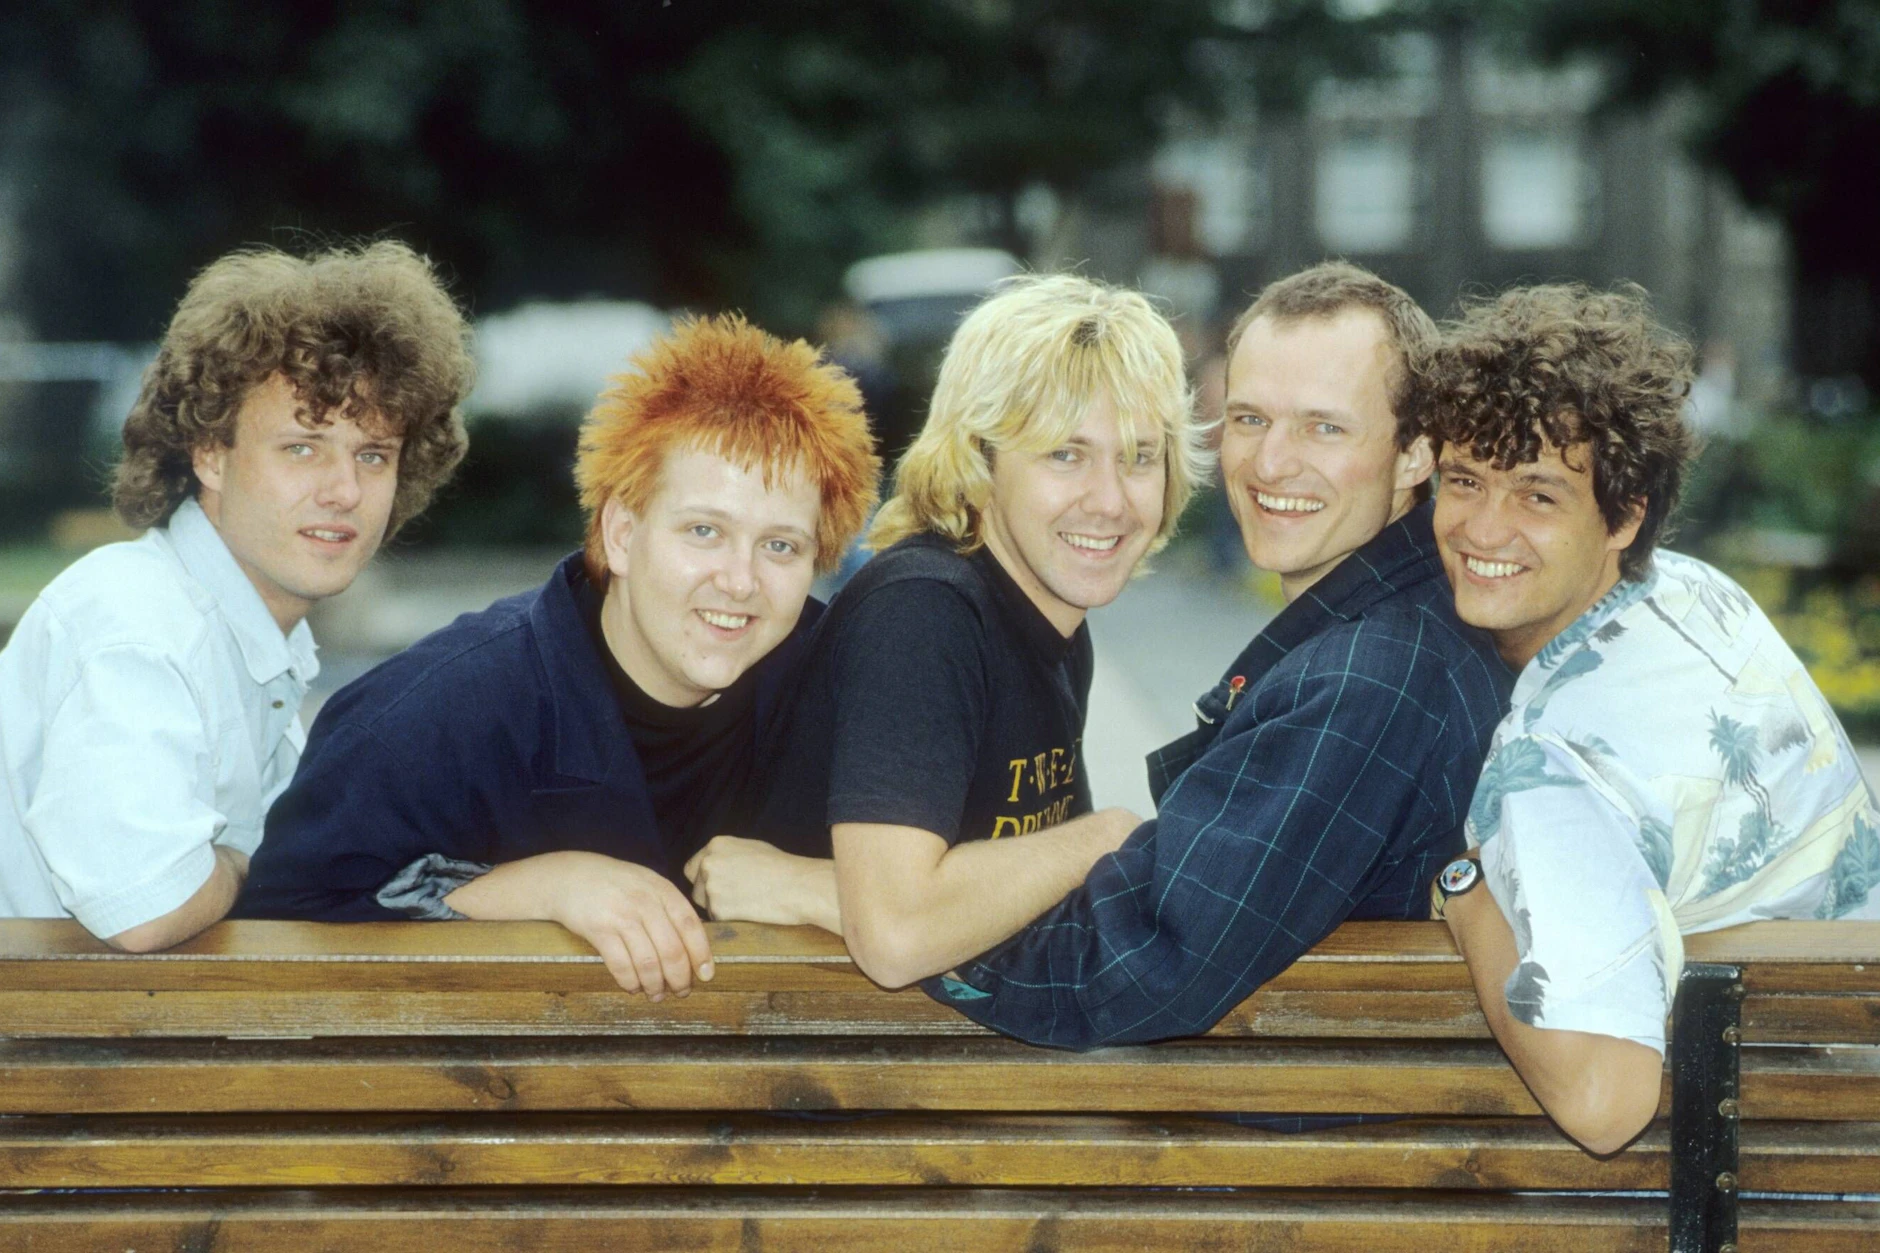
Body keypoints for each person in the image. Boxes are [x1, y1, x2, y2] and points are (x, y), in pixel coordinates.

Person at [924, 261, 1511, 1047]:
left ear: (1415, 455)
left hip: (1319, 1155)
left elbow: (1127, 969)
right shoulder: (1404, 622)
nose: (1270, 465)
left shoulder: (1372, 679)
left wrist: (879, 908)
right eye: (1248, 418)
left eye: (1323, 427)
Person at [236, 314, 880, 1002]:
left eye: (781, 546)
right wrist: (537, 886)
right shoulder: (444, 712)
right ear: (622, 533)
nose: (741, 579)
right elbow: (276, 924)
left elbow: (992, 890)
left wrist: (823, 890)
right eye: (704, 530)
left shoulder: (855, 696)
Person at [1416, 283, 1880, 1155]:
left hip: (1793, 1168)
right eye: (1464, 479)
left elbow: (1605, 1101)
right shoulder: (1697, 592)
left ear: (1625, 515)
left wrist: (1464, 888)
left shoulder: (1554, 760)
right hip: (1837, 1096)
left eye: (1538, 495)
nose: (1483, 526)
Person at [686, 274, 1208, 991]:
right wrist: (1112, 837)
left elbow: (1042, 898)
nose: (1111, 499)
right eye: (1066, 453)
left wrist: (813, 889)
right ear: (981, 461)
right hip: (803, 1062)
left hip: (921, 1061)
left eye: (1140, 456)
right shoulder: (926, 612)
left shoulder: (1052, 625)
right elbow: (898, 935)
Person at [0, 241, 475, 950]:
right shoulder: (137, 620)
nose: (345, 490)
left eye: (373, 454)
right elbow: (147, 905)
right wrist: (246, 862)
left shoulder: (257, 639)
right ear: (210, 453)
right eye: (302, 447)